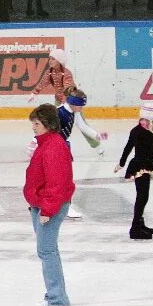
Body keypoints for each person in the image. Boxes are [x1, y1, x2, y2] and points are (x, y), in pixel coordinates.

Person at [24, 104, 75, 306]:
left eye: (37, 124)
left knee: (47, 251)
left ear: (48, 124)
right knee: (46, 250)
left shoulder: (54, 146)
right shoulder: (46, 144)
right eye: (33, 123)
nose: (33, 127)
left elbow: (57, 183)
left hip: (49, 207)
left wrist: (47, 209)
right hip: (41, 205)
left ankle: (58, 299)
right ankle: (53, 294)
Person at [116, 103, 153, 240]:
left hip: (137, 166)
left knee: (141, 197)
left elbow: (128, 147)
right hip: (143, 167)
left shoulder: (135, 130)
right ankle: (135, 228)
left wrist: (122, 163)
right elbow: (151, 155)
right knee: (142, 198)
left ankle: (140, 224)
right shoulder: (147, 134)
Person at [55, 88, 106, 220]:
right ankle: (59, 206)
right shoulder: (59, 113)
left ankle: (64, 206)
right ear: (72, 102)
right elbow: (45, 129)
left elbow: (83, 127)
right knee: (59, 179)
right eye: (80, 105)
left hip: (64, 148)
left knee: (66, 180)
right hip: (54, 149)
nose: (82, 108)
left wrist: (97, 135)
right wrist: (35, 143)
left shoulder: (74, 113)